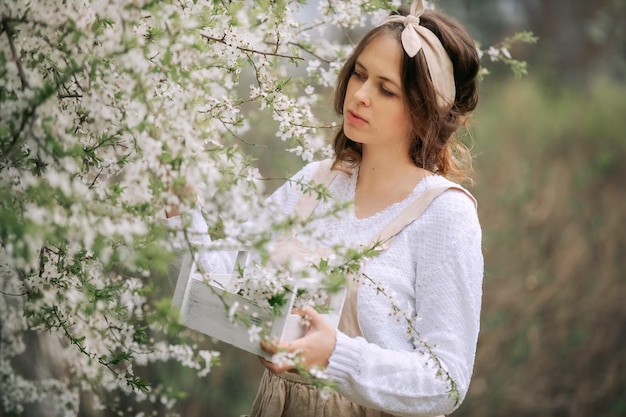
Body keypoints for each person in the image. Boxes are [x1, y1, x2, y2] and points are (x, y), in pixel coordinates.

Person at [166, 0, 483, 416]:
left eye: (386, 89)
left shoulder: (445, 214)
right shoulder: (314, 183)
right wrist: (179, 205)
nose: (361, 95)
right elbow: (213, 275)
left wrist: (337, 356)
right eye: (359, 74)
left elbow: (446, 380)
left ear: (423, 112)